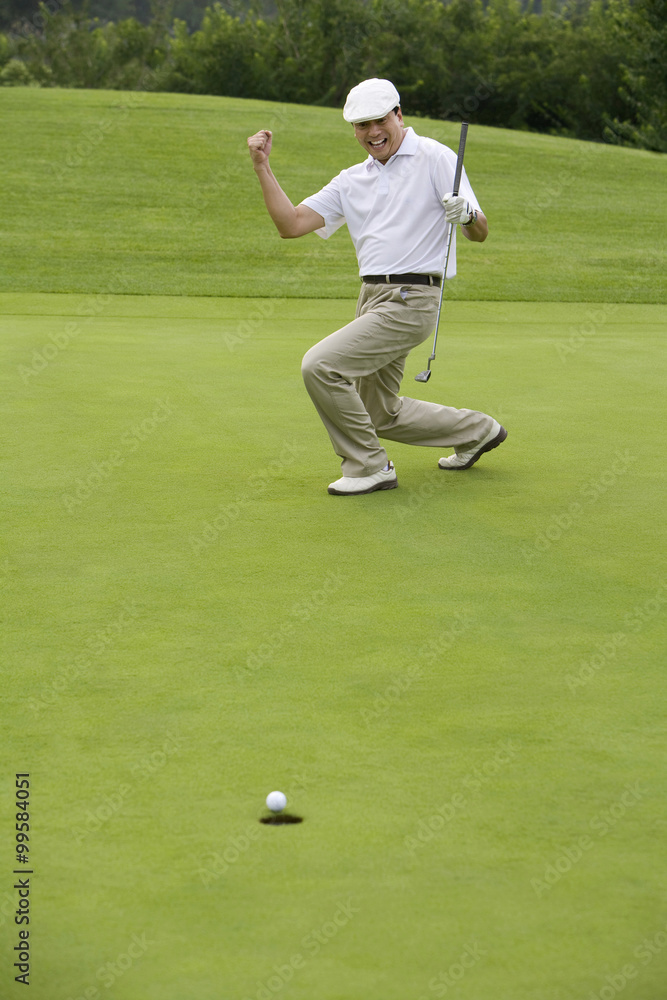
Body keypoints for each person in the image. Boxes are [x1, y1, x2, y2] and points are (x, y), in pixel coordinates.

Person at [247, 77, 506, 496]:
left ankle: (370, 465)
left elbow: (480, 232)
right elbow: (290, 225)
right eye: (361, 125)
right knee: (378, 412)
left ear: (399, 115)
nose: (372, 133)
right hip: (371, 298)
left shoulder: (435, 157)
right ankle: (479, 430)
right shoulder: (352, 179)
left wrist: (468, 215)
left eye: (379, 121)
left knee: (320, 365)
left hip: (413, 298)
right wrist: (262, 166)